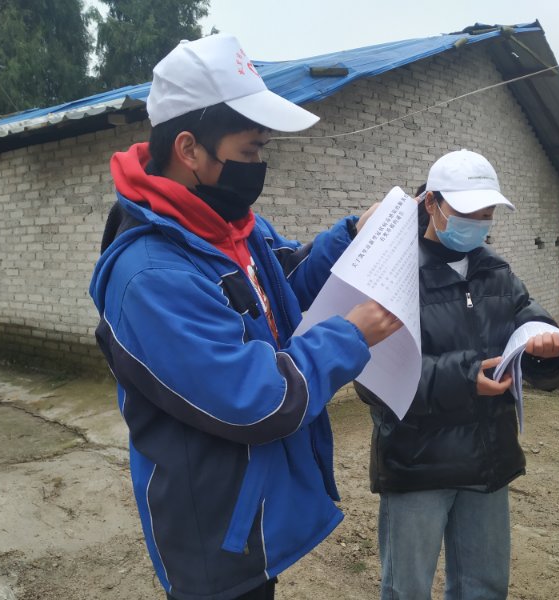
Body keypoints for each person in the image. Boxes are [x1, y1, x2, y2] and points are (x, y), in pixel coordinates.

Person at [88, 34, 401, 600]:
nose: (259, 165)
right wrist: (350, 336)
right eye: (251, 150)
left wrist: (355, 235)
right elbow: (255, 397)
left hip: (254, 510)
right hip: (213, 535)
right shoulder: (150, 276)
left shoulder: (232, 226)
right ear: (189, 149)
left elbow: (284, 290)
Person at [355, 149, 559, 600]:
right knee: (406, 589)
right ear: (431, 203)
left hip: (487, 460)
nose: (478, 222)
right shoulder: (393, 273)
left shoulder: (496, 272)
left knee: (484, 588)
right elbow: (373, 377)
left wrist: (548, 351)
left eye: (486, 213)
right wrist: (465, 377)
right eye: (466, 211)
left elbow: (530, 324)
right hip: (418, 462)